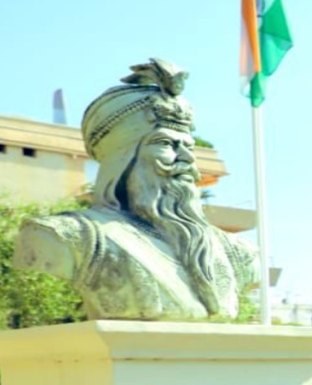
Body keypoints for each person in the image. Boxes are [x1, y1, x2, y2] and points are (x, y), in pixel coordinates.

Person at [13, 58, 259, 321]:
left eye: (188, 146)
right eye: (166, 143)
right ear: (122, 157)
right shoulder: (64, 237)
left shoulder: (239, 252)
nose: (185, 158)